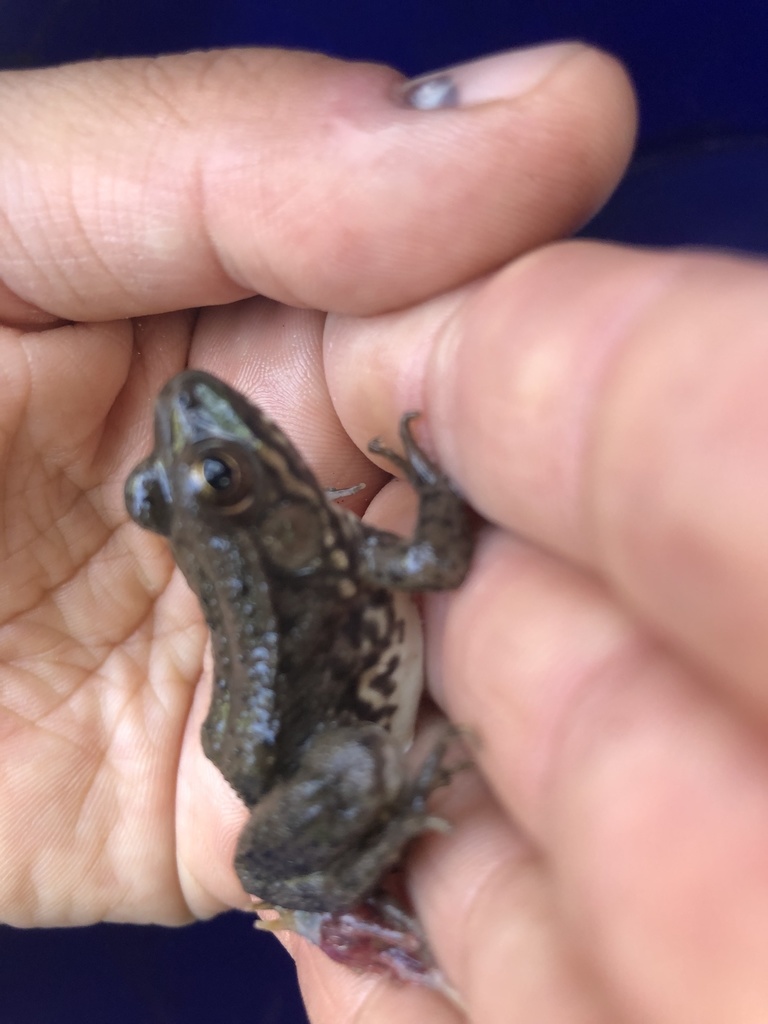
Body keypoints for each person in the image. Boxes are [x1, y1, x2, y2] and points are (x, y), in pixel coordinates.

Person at [1, 41, 766, 1024]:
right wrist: (434, 482)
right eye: (208, 480)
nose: (188, 412)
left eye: (192, 481)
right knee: (366, 772)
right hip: (303, 753)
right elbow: (437, 559)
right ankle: (386, 834)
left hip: (258, 744)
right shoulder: (323, 559)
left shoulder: (317, 555)